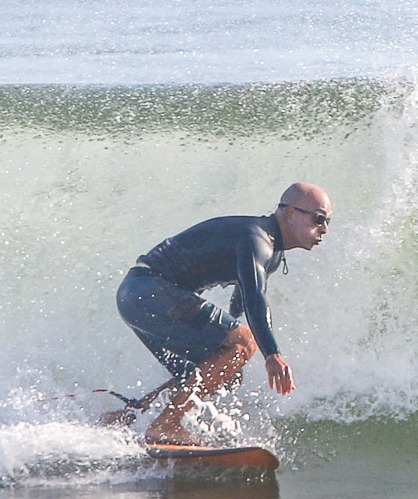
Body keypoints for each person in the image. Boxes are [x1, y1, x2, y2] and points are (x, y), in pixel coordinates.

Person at [116, 182, 332, 445]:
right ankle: (167, 425)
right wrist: (271, 354)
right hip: (150, 289)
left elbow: (245, 301)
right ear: (289, 213)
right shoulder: (257, 239)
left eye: (327, 221)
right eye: (318, 218)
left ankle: (130, 416)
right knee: (242, 344)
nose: (324, 228)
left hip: (136, 295)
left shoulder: (270, 251)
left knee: (223, 368)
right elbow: (255, 299)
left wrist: (234, 351)